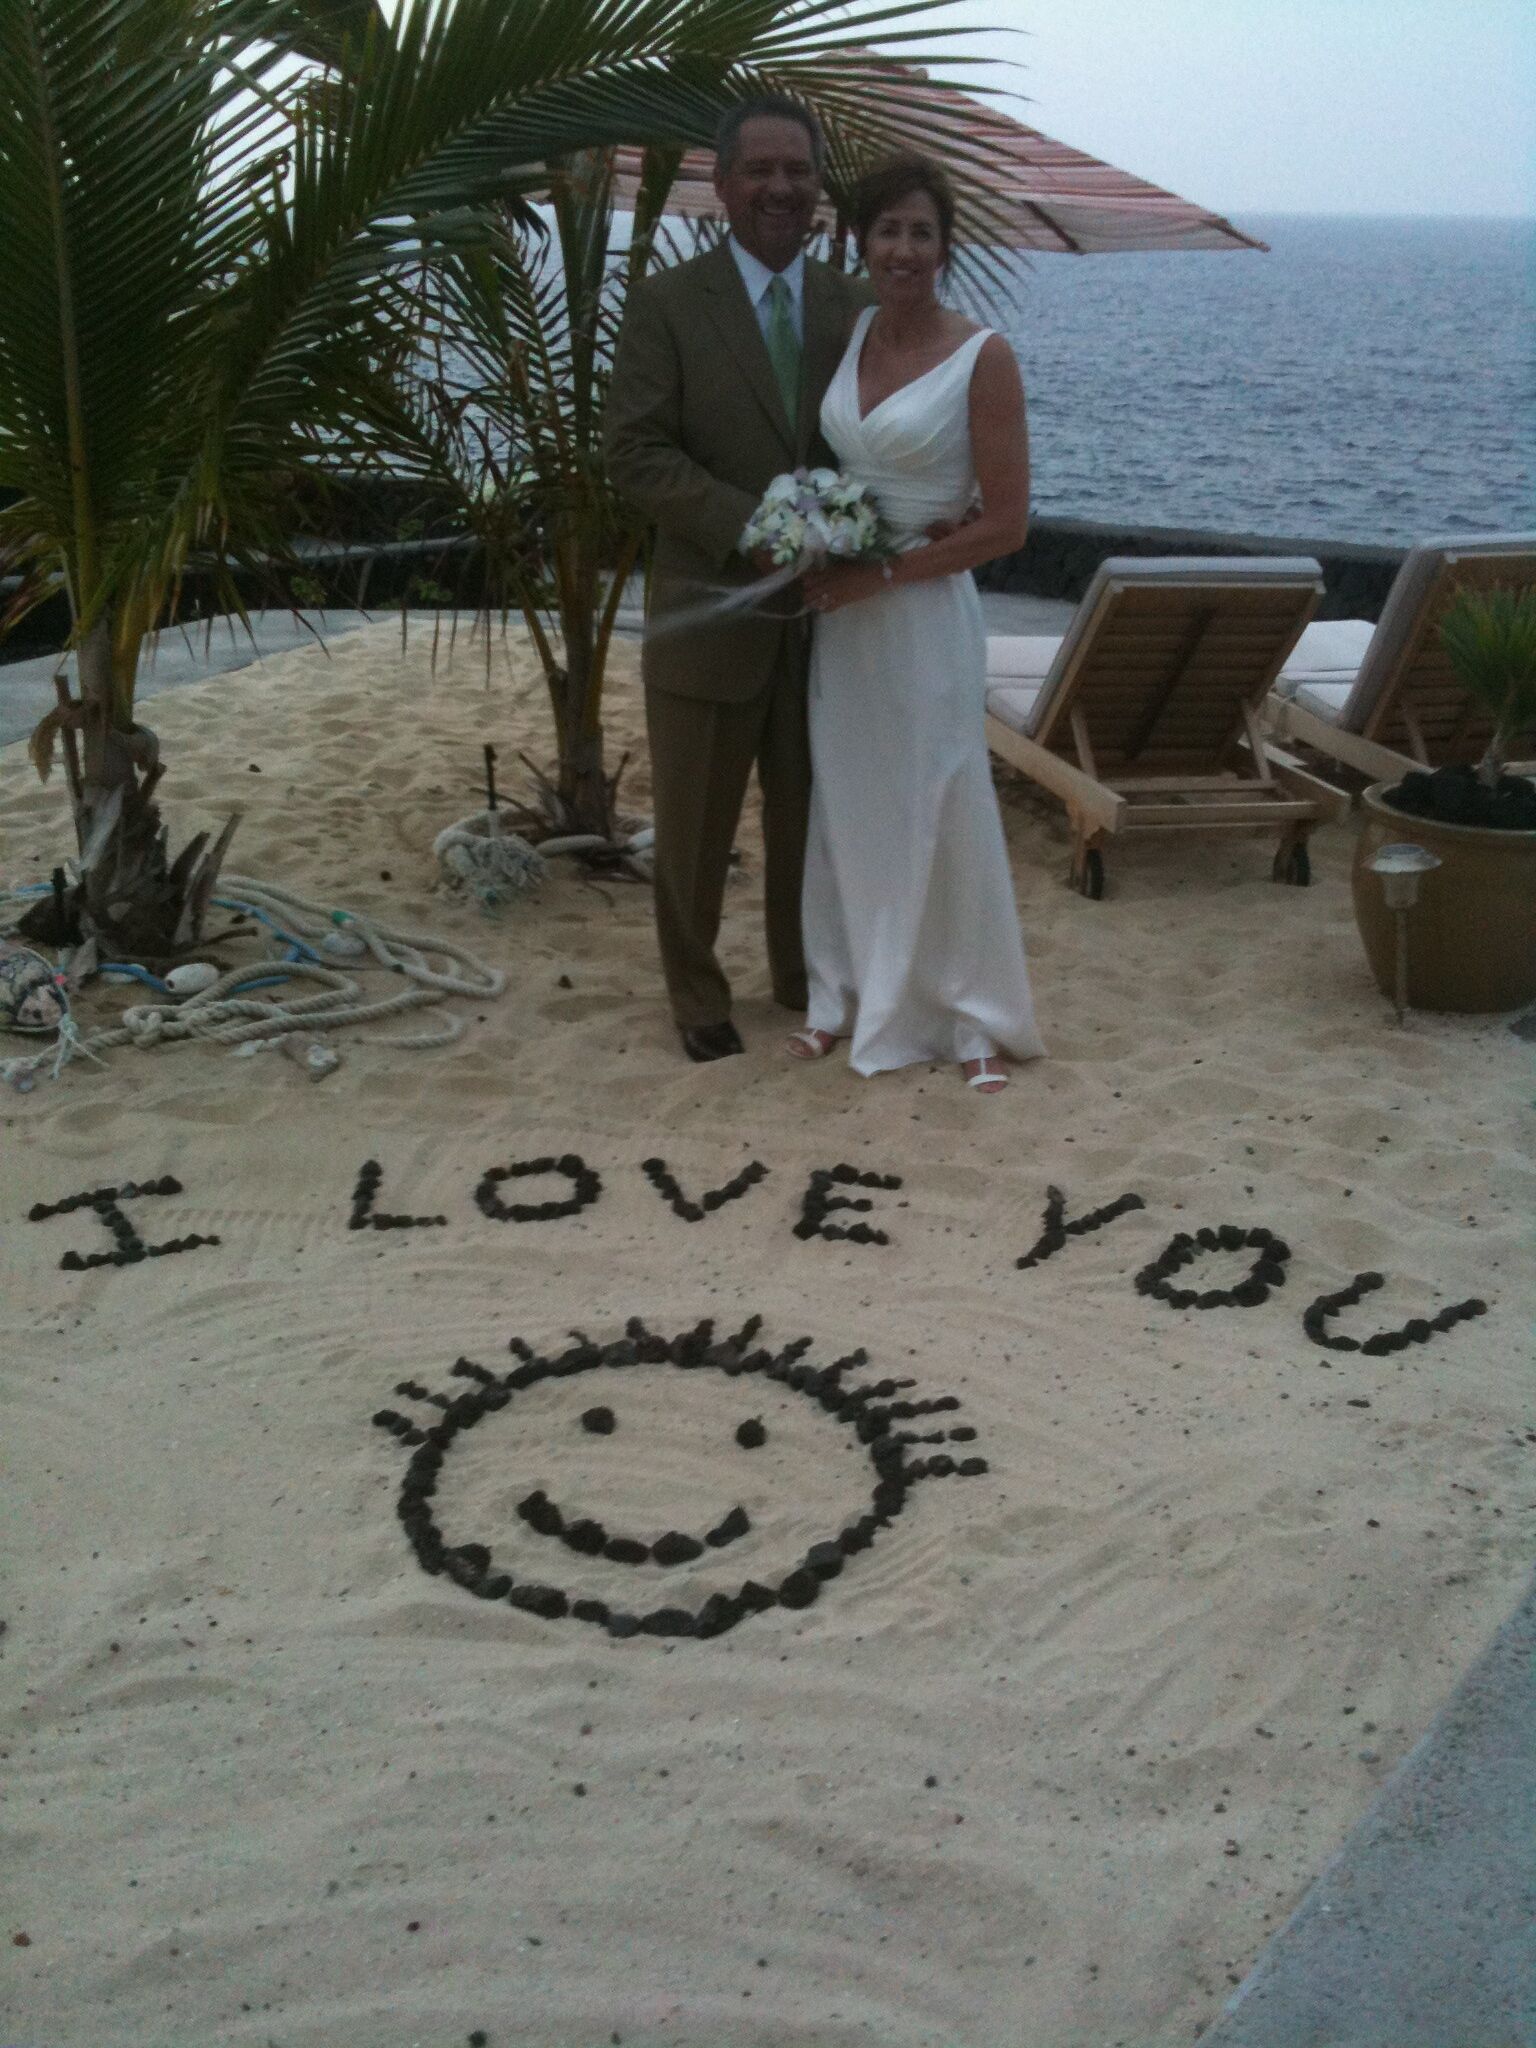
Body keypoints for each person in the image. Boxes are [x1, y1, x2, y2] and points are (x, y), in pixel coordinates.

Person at [604, 98, 871, 1063]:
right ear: (720, 186)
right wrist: (747, 527)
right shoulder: (669, 304)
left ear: (817, 184)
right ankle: (696, 995)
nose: (780, 188)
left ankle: (802, 979)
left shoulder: (856, 304)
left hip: (827, 623)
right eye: (759, 170)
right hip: (708, 613)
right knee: (694, 828)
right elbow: (633, 452)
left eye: (797, 170)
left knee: (813, 819)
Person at [793, 155, 1046, 1093]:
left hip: (925, 616)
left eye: (921, 232)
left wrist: (887, 571)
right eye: (888, 230)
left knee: (940, 796)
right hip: (845, 618)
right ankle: (845, 989)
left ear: (945, 247)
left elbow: (1008, 522)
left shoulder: (985, 356)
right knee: (849, 797)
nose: (902, 249)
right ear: (862, 240)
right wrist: (819, 534)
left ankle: (967, 1010)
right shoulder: (852, 330)